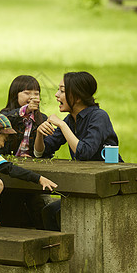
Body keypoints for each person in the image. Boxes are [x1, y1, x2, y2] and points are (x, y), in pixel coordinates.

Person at [34, 71, 123, 230]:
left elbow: (84, 153)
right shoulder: (71, 120)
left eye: (62, 90)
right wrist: (39, 134)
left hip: (109, 187)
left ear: (77, 96)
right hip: (86, 185)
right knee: (48, 212)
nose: (56, 95)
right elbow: (42, 152)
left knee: (53, 213)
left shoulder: (99, 117)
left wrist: (61, 125)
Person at [0, 75, 50, 229]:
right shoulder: (7, 115)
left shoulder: (42, 119)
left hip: (33, 171)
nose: (32, 97)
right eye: (27, 93)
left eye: (36, 93)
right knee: (11, 207)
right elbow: (1, 121)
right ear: (16, 94)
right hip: (10, 170)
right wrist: (23, 111)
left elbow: (42, 151)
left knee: (37, 206)